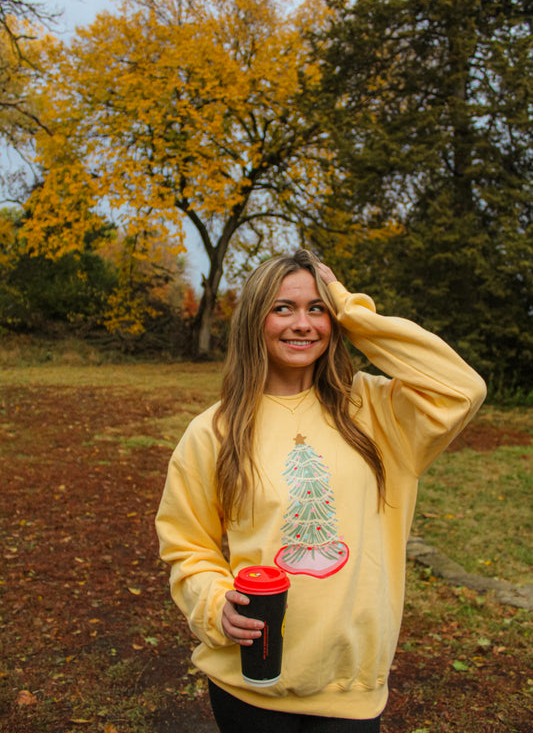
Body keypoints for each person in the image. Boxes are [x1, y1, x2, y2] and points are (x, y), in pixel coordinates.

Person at [155, 249, 486, 732]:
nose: (302, 324)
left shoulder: (378, 412)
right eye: (282, 308)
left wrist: (352, 310)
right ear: (255, 319)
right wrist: (213, 603)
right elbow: (187, 544)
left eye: (317, 309)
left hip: (349, 692)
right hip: (250, 686)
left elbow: (462, 388)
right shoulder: (213, 432)